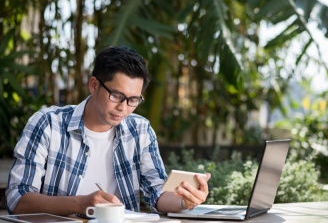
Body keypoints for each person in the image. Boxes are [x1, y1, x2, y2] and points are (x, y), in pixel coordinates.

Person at [6, 46, 211, 216]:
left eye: (133, 100)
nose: (123, 108)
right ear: (94, 86)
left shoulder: (140, 130)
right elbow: (18, 199)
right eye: (116, 95)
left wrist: (184, 201)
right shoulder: (47, 124)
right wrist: (79, 204)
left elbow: (156, 192)